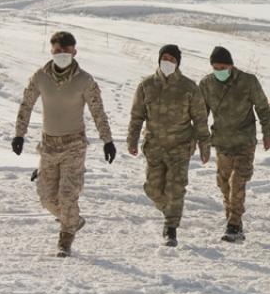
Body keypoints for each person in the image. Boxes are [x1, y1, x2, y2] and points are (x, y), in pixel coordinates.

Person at [12, 30, 116, 258]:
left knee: (68, 196)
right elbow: (26, 105)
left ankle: (65, 240)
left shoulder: (84, 81)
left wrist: (107, 140)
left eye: (66, 50)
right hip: (48, 146)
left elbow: (98, 112)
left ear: (74, 52)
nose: (62, 54)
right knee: (47, 198)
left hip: (74, 145)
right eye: (57, 50)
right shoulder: (40, 77)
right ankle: (73, 220)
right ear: (51, 51)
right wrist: (19, 134)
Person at [127, 44, 211, 246]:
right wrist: (132, 139)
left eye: (172, 59)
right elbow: (137, 116)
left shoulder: (189, 88)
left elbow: (200, 120)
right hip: (154, 147)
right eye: (165, 58)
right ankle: (169, 209)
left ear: (178, 63)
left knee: (176, 188)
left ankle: (171, 227)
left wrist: (204, 146)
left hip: (180, 147)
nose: (168, 62)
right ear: (159, 59)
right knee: (152, 189)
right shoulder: (146, 86)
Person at [199, 46, 270, 244]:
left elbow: (263, 108)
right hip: (222, 142)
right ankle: (233, 222)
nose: (220, 71)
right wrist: (202, 142)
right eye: (216, 68)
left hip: (244, 142)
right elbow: (200, 115)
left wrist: (267, 133)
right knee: (224, 184)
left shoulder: (248, 81)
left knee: (237, 181)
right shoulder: (206, 84)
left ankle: (233, 224)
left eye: (223, 67)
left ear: (231, 65)